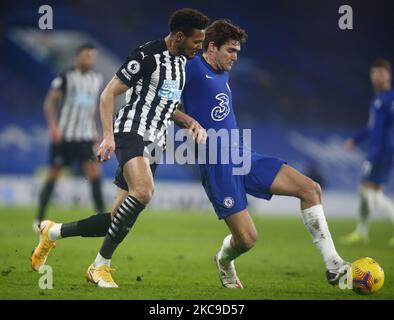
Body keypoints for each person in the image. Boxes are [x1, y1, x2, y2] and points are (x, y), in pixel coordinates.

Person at [31, 8, 210, 288]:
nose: (199, 48)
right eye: (197, 42)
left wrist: (187, 120)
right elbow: (108, 93)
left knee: (116, 218)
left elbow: (167, 103)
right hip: (131, 131)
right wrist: (108, 137)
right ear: (178, 36)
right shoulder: (146, 56)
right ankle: (99, 267)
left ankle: (52, 232)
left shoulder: (181, 64)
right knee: (144, 192)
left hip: (155, 141)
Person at [181, 19, 349, 288]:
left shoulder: (222, 72)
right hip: (216, 166)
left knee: (310, 189)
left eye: (237, 51)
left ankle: (333, 264)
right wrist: (188, 121)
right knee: (247, 240)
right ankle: (224, 260)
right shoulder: (190, 68)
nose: (235, 57)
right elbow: (164, 105)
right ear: (211, 47)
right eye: (230, 51)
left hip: (242, 156)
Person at [34, 43, 105, 231]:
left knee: (94, 173)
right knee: (54, 174)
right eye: (86, 56)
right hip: (64, 136)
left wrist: (95, 131)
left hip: (85, 137)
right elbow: (49, 103)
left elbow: (92, 109)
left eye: (92, 56)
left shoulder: (97, 79)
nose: (89, 60)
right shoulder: (65, 77)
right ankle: (39, 218)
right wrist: (54, 127)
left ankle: (101, 216)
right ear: (78, 58)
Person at [341, 59, 394, 246]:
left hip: (383, 151)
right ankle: (361, 231)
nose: (376, 77)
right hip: (377, 149)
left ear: (388, 75)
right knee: (375, 192)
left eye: (380, 73)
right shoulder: (378, 99)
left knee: (366, 189)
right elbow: (372, 127)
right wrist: (355, 139)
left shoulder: (390, 99)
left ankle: (361, 231)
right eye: (374, 73)